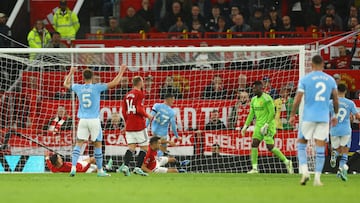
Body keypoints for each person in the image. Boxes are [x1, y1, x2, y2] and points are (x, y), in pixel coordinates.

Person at [63, 64, 127, 177]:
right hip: (93, 120)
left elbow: (65, 84)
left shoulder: (78, 87)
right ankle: (100, 171)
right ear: (92, 77)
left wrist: (71, 72)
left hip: (82, 120)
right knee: (98, 145)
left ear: (83, 77)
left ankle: (73, 168)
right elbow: (114, 83)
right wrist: (121, 71)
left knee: (78, 144)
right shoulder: (97, 87)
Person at [289, 55, 339, 186]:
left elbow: (298, 98)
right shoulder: (330, 79)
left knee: (301, 143)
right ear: (323, 65)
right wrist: (335, 115)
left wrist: (293, 114)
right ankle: (317, 178)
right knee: (320, 146)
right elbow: (335, 98)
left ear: (311, 65)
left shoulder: (306, 79)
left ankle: (305, 172)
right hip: (323, 118)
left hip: (308, 117)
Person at [241, 80, 293, 174]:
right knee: (254, 143)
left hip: (268, 125)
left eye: (255, 88)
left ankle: (287, 161)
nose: (253, 90)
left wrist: (266, 124)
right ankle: (255, 168)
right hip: (259, 125)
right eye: (253, 88)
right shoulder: (253, 100)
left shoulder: (267, 98)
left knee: (270, 147)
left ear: (261, 88)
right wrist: (245, 126)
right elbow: (251, 114)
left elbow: (272, 112)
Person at [119, 76, 154, 176]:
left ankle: (126, 166)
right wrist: (148, 115)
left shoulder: (127, 95)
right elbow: (139, 109)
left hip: (129, 125)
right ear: (140, 83)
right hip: (139, 125)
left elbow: (123, 112)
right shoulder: (140, 94)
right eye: (142, 82)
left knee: (131, 147)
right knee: (145, 148)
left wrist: (126, 124)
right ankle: (137, 168)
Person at [329, 84, 360, 181]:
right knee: (345, 152)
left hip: (334, 129)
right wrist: (353, 118)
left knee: (337, 149)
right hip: (345, 130)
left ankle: (336, 161)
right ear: (346, 91)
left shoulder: (330, 102)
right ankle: (341, 171)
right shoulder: (350, 103)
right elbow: (357, 116)